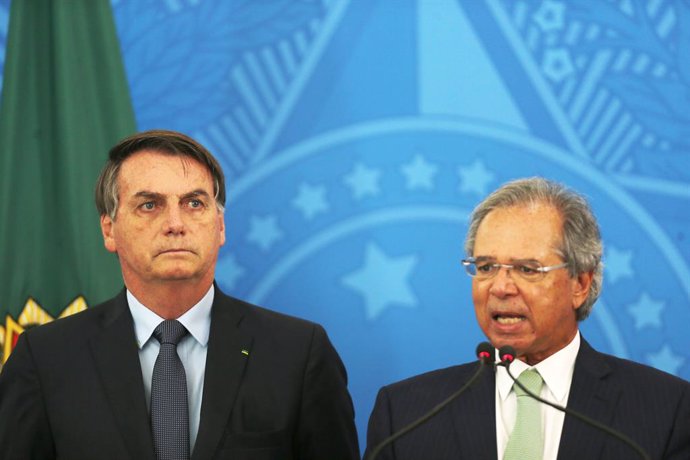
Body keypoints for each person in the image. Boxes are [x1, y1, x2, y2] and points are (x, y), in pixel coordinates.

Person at [0, 130, 360, 460]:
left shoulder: (299, 353)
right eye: (150, 205)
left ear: (219, 227)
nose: (175, 223)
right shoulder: (45, 360)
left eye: (194, 203)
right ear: (109, 230)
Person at [365, 177, 690, 460]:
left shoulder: (667, 411)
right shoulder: (406, 415)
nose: (501, 287)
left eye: (527, 269)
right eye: (487, 267)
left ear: (580, 283)